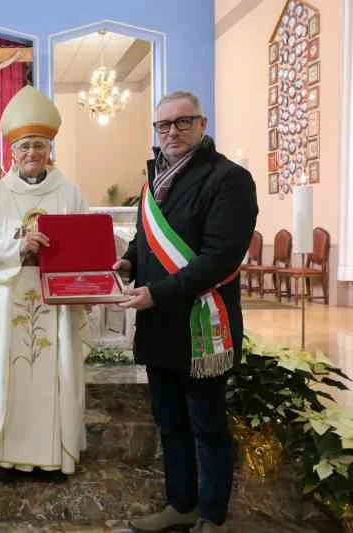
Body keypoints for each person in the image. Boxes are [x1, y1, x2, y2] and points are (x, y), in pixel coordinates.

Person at [115, 91, 258, 533]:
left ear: (202, 124)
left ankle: (212, 515)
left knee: (207, 426)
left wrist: (156, 293)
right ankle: (181, 505)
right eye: (164, 125)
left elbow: (220, 257)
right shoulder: (155, 177)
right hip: (159, 323)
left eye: (182, 122)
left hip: (202, 325)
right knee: (171, 423)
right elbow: (145, 239)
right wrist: (129, 262)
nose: (172, 132)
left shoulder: (229, 179)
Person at [0, 85, 88, 483]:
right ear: (12, 152)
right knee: (10, 373)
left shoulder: (69, 192)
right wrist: (17, 246)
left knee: (56, 374)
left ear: (50, 148)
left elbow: (87, 244)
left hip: (58, 301)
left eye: (39, 145)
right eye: (24, 146)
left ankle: (55, 457)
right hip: (9, 296)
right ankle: (6, 458)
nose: (32, 152)